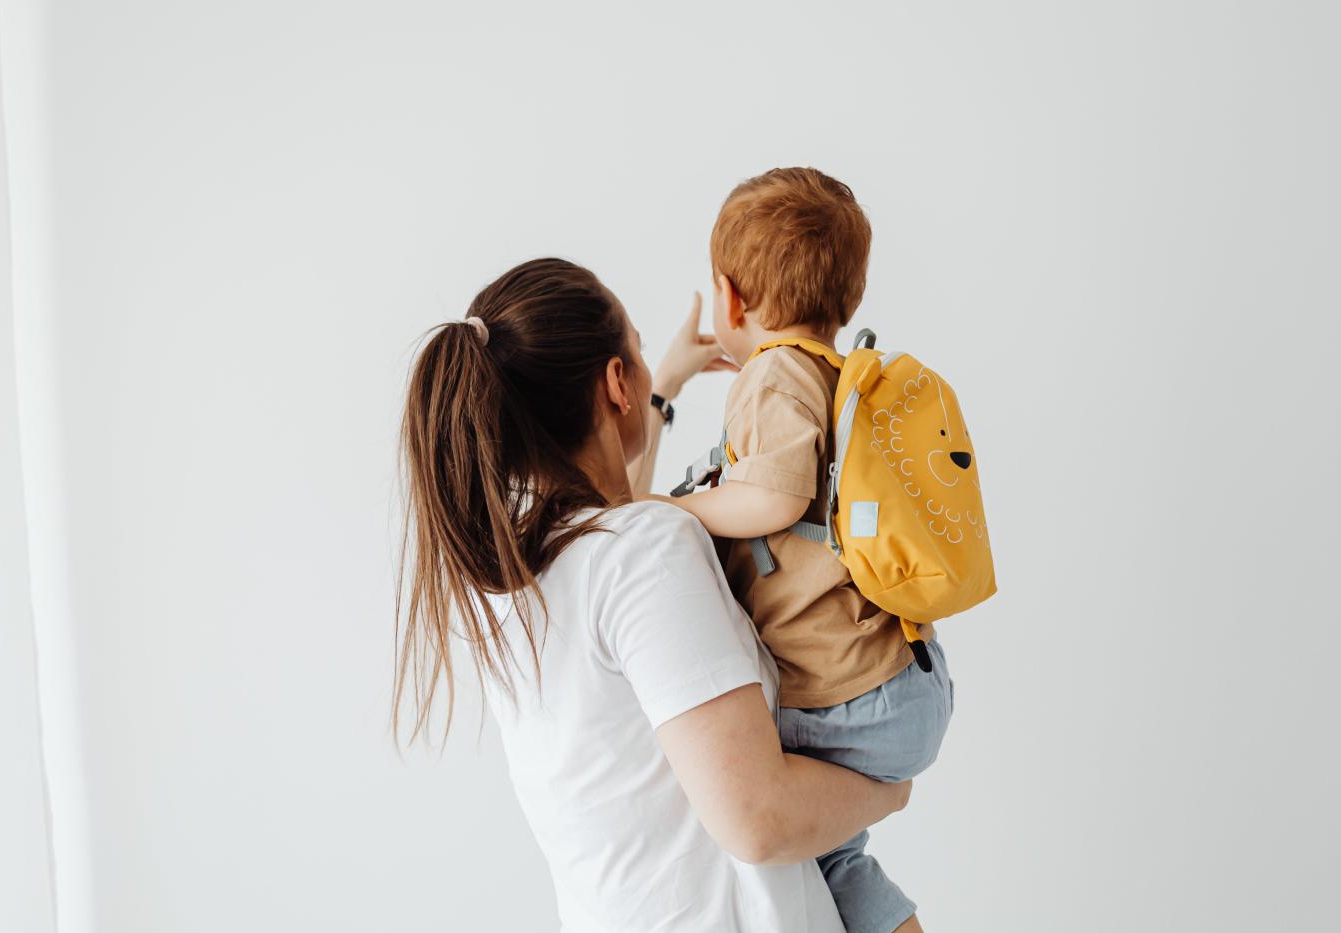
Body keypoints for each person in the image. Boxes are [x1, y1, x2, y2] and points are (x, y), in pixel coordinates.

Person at [395, 257, 914, 932]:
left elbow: (619, 513)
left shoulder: (512, 576)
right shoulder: (642, 551)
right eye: (634, 356)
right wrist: (889, 788)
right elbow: (759, 819)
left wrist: (662, 384)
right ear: (616, 383)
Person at [664, 168, 953, 933]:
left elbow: (779, 494)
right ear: (846, 299)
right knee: (832, 864)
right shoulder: (827, 372)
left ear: (730, 297)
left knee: (730, 794)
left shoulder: (770, 374)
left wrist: (673, 508)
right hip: (896, 679)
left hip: (845, 694)